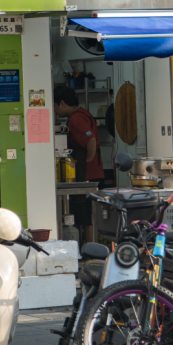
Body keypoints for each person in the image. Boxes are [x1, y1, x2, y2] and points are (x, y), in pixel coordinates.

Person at [53, 84, 104, 242]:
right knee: (88, 216)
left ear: (62, 103)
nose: (55, 110)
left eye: (55, 106)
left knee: (87, 218)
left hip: (88, 175)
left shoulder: (76, 119)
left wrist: (88, 160)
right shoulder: (82, 113)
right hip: (91, 173)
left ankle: (90, 250)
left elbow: (91, 140)